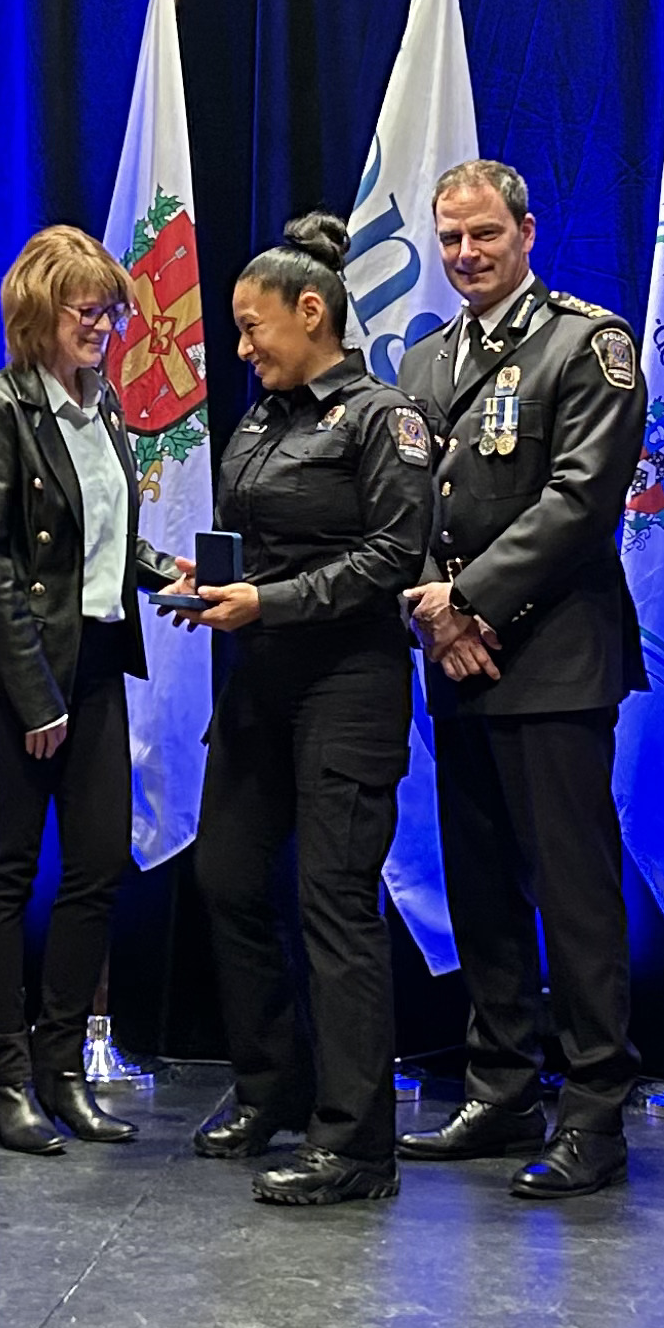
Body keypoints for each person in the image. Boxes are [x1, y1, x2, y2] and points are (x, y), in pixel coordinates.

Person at [391, 158, 649, 1200]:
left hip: (555, 657)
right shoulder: (422, 361)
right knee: (482, 889)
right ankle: (502, 1087)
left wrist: (471, 603)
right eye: (449, 239)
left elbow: (580, 500)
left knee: (575, 896)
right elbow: (400, 503)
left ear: (528, 233)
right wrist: (433, 613)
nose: (465, 256)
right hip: (461, 661)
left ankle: (594, 1110)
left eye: (484, 236)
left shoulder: (589, 345)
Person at [171, 214, 434, 1208]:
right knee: (227, 878)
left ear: (311, 312)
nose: (242, 349)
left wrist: (268, 601)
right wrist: (214, 578)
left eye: (252, 328)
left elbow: (390, 559)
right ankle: (269, 1087)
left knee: (334, 903)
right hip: (261, 682)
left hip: (348, 687)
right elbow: (256, 529)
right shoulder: (263, 415)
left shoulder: (380, 417)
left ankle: (357, 1142)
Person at [0, 227, 174, 1156]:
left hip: (96, 661)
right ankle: (5, 1082)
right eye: (90, 311)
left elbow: (105, 542)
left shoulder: (106, 408)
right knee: (6, 873)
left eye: (111, 311)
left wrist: (174, 573)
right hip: (15, 676)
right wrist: (36, 697)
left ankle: (63, 1069)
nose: (106, 327)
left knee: (93, 869)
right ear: (39, 316)